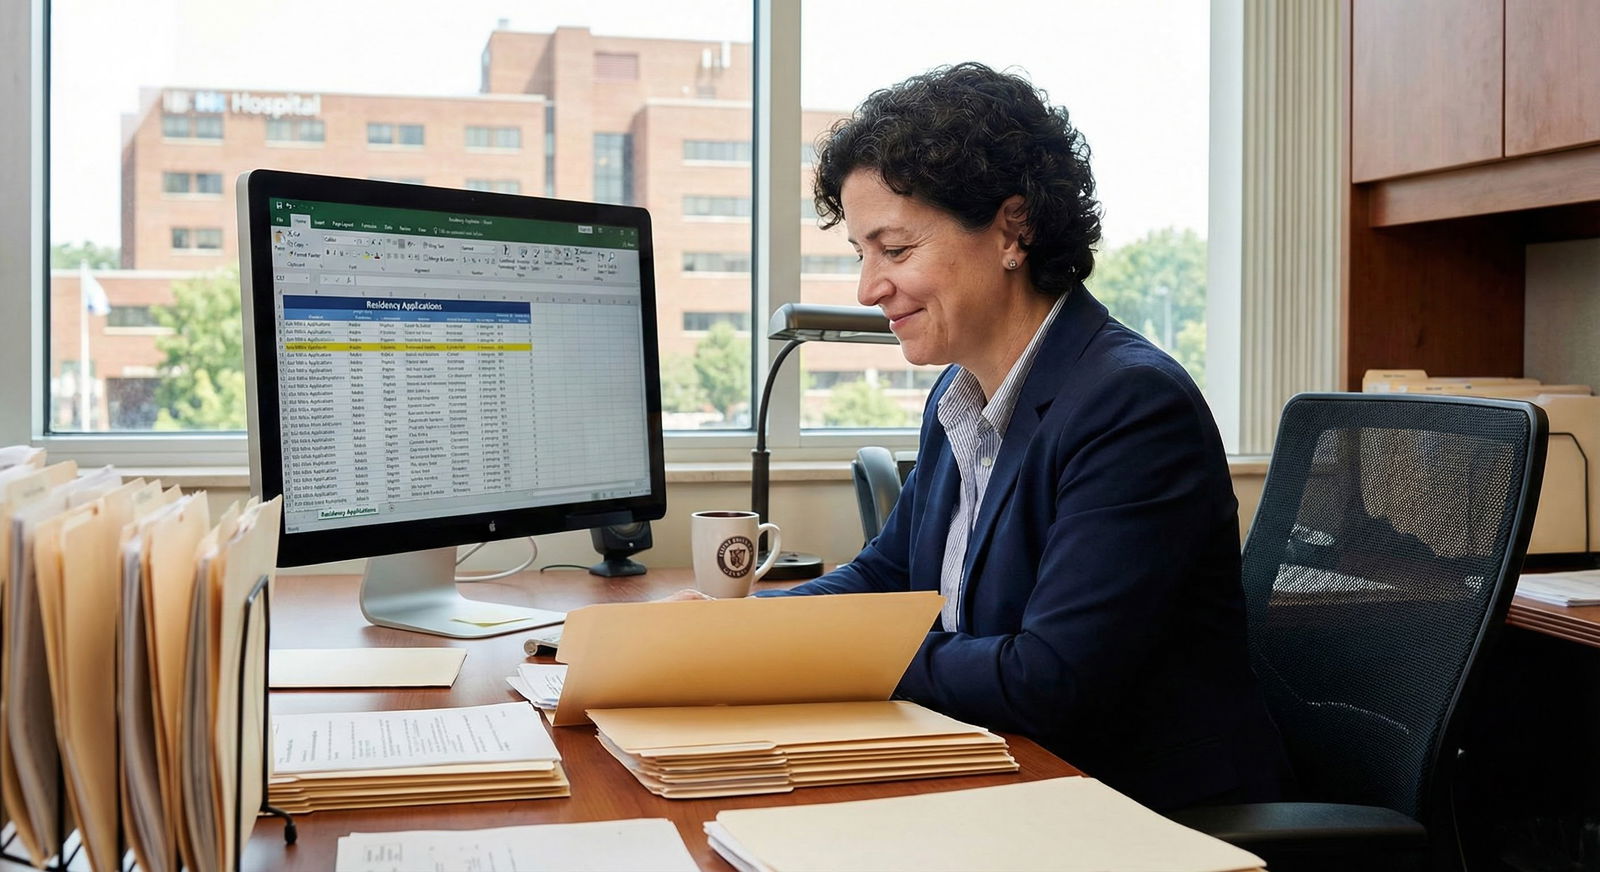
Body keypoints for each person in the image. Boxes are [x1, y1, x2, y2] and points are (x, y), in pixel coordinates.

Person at [686, 62, 1291, 811]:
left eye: (895, 249)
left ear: (1014, 229)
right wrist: (735, 632)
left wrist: (832, 652)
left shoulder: (1131, 407)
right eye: (861, 254)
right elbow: (890, 573)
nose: (868, 288)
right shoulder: (960, 389)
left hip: (1136, 811)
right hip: (1012, 779)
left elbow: (1049, 681)